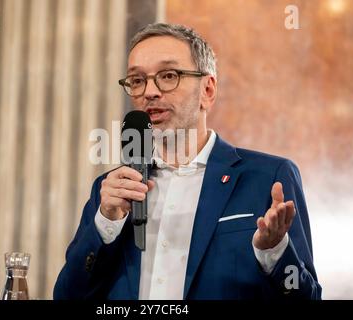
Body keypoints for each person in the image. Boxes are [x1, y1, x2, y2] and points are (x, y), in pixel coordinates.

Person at [53, 23, 321, 299]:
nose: (149, 92)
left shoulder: (269, 177)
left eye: (168, 76)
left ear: (207, 90)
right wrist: (105, 224)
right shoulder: (111, 190)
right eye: (137, 80)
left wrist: (274, 252)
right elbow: (66, 296)